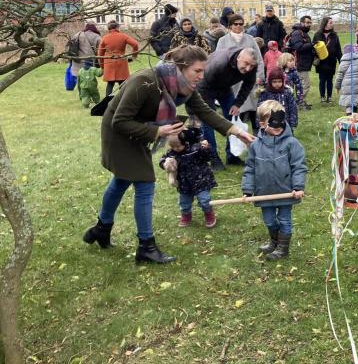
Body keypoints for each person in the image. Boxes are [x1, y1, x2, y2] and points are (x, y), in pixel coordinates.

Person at [82, 45, 255, 264]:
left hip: (139, 129)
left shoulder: (186, 87)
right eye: (197, 71)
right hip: (119, 133)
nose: (202, 77)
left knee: (122, 180)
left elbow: (205, 112)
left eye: (204, 71)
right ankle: (146, 246)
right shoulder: (145, 82)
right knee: (144, 184)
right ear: (181, 67)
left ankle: (101, 228)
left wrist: (237, 132)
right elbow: (120, 121)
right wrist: (156, 131)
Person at [242, 100, 307, 261]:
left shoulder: (292, 143)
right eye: (272, 122)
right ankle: (275, 242)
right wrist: (247, 190)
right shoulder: (256, 146)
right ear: (262, 124)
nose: (277, 125)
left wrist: (298, 187)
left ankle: (283, 249)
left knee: (284, 220)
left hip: (286, 192)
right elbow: (250, 168)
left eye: (280, 120)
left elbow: (299, 166)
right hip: (264, 192)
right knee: (269, 220)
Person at [196, 43, 260, 168]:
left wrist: (237, 104)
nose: (248, 69)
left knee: (233, 119)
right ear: (238, 58)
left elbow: (248, 84)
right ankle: (213, 158)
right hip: (206, 86)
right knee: (208, 122)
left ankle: (232, 155)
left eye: (251, 66)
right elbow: (202, 83)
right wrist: (209, 110)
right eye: (246, 64)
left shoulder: (251, 66)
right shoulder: (219, 64)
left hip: (225, 87)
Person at [158, 120, 218, 229]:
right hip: (184, 183)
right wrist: (165, 163)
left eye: (178, 146)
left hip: (201, 181)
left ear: (185, 142)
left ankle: (209, 215)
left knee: (205, 200)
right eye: (173, 147)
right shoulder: (171, 153)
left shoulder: (195, 149)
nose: (176, 149)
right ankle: (186, 216)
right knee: (184, 202)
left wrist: (206, 148)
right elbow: (162, 160)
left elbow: (208, 157)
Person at [215, 13, 266, 139]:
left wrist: (260, 75)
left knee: (254, 106)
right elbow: (218, 60)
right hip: (232, 81)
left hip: (250, 78)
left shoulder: (250, 39)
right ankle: (239, 134)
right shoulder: (223, 41)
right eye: (235, 24)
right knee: (237, 107)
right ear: (230, 26)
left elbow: (258, 59)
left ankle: (257, 131)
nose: (238, 27)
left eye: (241, 24)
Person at [97, 20, 139, 97]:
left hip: (109, 63)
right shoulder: (123, 36)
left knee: (110, 84)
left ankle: (107, 102)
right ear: (117, 27)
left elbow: (100, 54)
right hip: (121, 62)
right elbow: (135, 44)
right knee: (122, 84)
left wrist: (102, 66)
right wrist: (134, 56)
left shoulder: (105, 38)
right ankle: (123, 101)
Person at [312, 16, 342, 104]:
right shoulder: (318, 34)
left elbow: (338, 49)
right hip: (321, 61)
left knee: (330, 79)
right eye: (330, 22)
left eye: (332, 22)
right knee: (322, 79)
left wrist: (341, 61)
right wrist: (315, 56)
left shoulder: (334, 35)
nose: (332, 24)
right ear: (325, 24)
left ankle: (329, 96)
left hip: (331, 61)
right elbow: (313, 47)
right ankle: (322, 97)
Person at [287, 15, 314, 109]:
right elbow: (299, 47)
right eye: (307, 22)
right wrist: (312, 45)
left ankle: (299, 101)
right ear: (302, 23)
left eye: (310, 22)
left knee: (301, 85)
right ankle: (298, 102)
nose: (309, 24)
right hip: (299, 63)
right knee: (305, 84)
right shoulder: (297, 33)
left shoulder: (303, 33)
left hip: (304, 62)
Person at [335, 44, 358, 115]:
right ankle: (355, 114)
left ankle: (349, 115)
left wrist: (337, 87)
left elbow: (339, 77)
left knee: (348, 103)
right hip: (356, 86)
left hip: (346, 87)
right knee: (355, 102)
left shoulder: (342, 63)